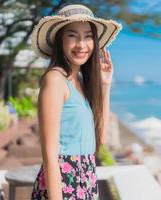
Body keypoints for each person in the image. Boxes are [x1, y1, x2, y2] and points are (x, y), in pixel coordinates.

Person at [30, 4, 122, 200]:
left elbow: (100, 140)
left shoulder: (79, 83)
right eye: (72, 36)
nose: (82, 44)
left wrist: (105, 86)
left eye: (88, 36)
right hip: (63, 185)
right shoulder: (55, 80)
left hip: (85, 179)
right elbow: (50, 155)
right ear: (60, 40)